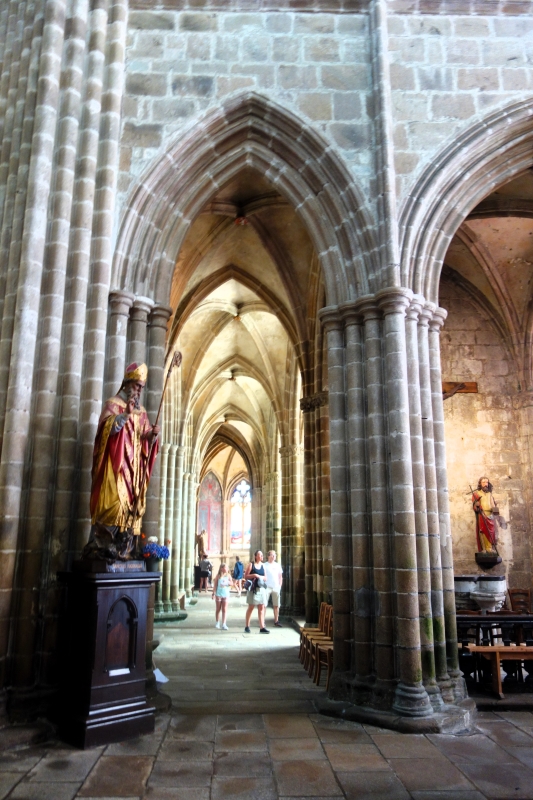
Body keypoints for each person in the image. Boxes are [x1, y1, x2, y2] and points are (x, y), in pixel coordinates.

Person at [90, 362, 159, 536]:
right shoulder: (113, 404)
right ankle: (106, 542)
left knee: (131, 506)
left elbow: (144, 435)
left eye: (142, 387)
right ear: (127, 383)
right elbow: (105, 431)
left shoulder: (141, 411)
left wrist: (152, 435)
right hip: (116, 466)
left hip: (134, 470)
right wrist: (125, 415)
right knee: (114, 504)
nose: (139, 391)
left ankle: (125, 545)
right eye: (137, 386)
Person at [472, 476, 500, 554]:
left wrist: (495, 509)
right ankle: (484, 549)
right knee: (483, 531)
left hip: (490, 515)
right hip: (482, 514)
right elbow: (474, 505)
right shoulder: (476, 494)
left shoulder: (489, 494)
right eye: (483, 482)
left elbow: (492, 504)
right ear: (480, 484)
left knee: (491, 531)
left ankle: (489, 548)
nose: (485, 484)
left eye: (487, 482)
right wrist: (476, 505)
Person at [244, 550, 269, 634]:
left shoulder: (263, 566)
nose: (261, 556)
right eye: (259, 554)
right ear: (255, 556)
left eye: (262, 555)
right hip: (253, 589)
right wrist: (254, 575)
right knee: (251, 607)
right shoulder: (251, 565)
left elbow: (265, 578)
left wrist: (261, 577)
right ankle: (247, 626)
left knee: (261, 607)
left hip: (261, 588)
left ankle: (262, 627)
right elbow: (246, 576)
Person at [264, 550, 283, 627]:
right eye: (272, 555)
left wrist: (280, 585)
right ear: (268, 556)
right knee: (264, 605)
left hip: (276, 587)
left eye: (274, 555)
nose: (273, 556)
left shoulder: (278, 565)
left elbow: (280, 576)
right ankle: (263, 621)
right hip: (267, 587)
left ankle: (276, 621)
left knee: (276, 605)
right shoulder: (264, 565)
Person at [212, 563, 232, 629]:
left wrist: (228, 583)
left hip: (226, 594)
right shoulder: (218, 576)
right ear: (221, 568)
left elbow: (232, 583)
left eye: (227, 567)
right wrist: (213, 593)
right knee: (218, 609)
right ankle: (217, 622)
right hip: (219, 594)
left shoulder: (228, 576)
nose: (227, 569)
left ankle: (224, 623)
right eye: (225, 567)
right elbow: (215, 585)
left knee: (224, 609)